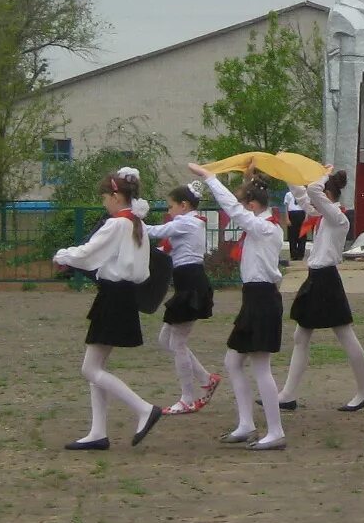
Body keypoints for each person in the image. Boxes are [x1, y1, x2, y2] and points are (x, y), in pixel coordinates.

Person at [54, 167, 164, 451]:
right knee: (96, 367)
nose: (103, 201)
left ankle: (143, 409)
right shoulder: (135, 223)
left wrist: (63, 255)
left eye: (105, 196)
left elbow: (90, 251)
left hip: (114, 296)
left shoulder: (118, 224)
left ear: (116, 195)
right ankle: (97, 432)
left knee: (90, 369)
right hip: (122, 295)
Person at [189, 163, 288, 451]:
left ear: (253, 205)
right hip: (254, 298)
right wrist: (248, 178)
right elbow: (240, 206)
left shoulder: (265, 228)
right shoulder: (262, 224)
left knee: (260, 366)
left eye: (247, 205)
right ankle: (247, 424)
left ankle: (276, 430)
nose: (243, 211)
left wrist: (211, 179)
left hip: (263, 299)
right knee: (234, 362)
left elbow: (234, 209)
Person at [274, 171, 364, 412]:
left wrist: (321, 176)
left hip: (326, 279)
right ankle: (288, 394)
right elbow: (302, 195)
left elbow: (311, 192)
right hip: (317, 278)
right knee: (302, 336)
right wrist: (285, 170)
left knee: (344, 334)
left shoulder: (338, 218)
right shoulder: (323, 215)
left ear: (328, 194)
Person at [145, 182, 220, 415]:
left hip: (190, 284)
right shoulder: (190, 222)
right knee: (166, 340)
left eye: (171, 206)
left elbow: (154, 232)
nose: (168, 212)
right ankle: (206, 379)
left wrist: (129, 221)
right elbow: (164, 245)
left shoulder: (185, 222)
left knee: (176, 342)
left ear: (184, 205)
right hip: (188, 282)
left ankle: (188, 398)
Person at [284, 186, 307, 262]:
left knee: (302, 235)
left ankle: (300, 254)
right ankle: (293, 255)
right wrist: (287, 219)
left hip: (301, 213)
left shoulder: (304, 194)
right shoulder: (288, 194)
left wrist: (306, 217)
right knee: (292, 236)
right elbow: (286, 208)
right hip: (292, 214)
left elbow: (307, 206)